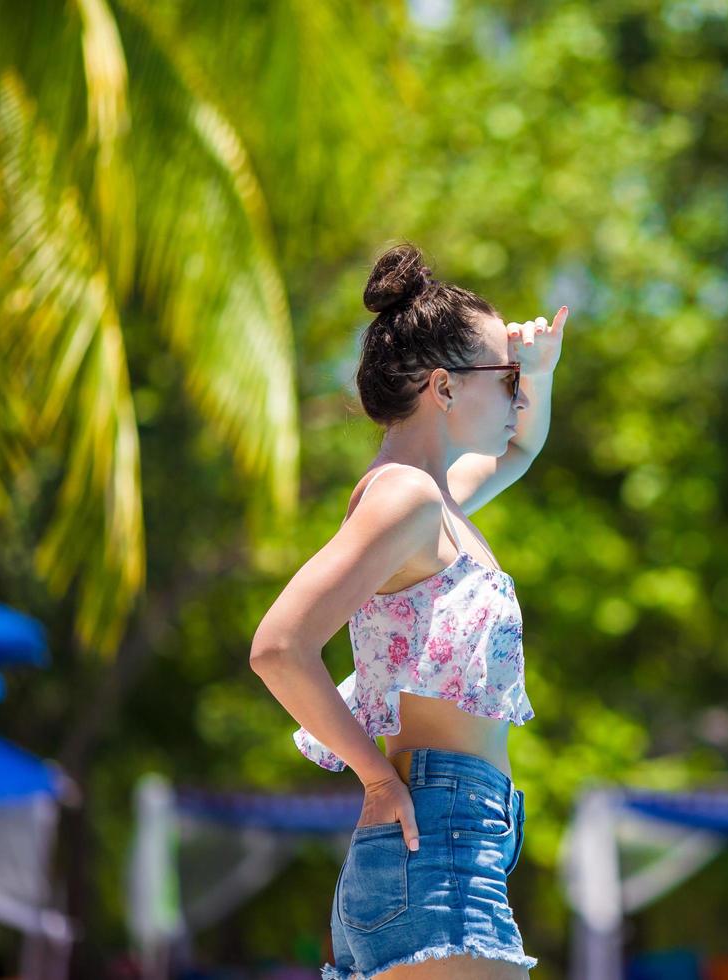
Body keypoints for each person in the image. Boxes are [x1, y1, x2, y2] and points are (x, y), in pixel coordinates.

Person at [250, 242, 566, 979]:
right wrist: (377, 778)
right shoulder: (407, 497)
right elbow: (278, 646)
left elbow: (519, 450)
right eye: (507, 377)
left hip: (448, 841)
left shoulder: (434, 499)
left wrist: (540, 372)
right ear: (443, 387)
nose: (516, 396)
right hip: (438, 839)